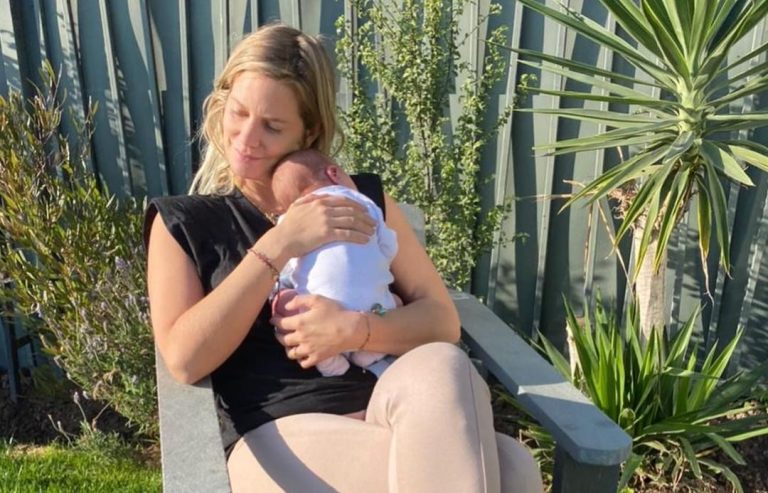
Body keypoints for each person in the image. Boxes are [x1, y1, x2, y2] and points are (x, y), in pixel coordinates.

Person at [144, 22, 543, 492]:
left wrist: (355, 330)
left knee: (445, 365)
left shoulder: (360, 200)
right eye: (239, 113)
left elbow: (441, 321)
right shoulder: (186, 223)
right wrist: (281, 243)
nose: (247, 138)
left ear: (309, 130)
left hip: (393, 405)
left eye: (272, 126)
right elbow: (185, 359)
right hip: (280, 431)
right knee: (511, 470)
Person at [270, 149, 397, 377]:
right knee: (395, 301)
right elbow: (389, 247)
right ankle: (370, 354)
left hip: (317, 317)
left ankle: (330, 363)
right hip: (371, 312)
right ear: (334, 173)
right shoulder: (364, 203)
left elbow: (286, 264)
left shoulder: (290, 221)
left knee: (282, 301)